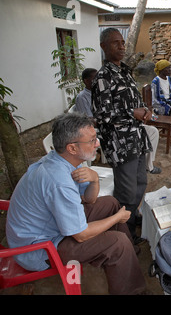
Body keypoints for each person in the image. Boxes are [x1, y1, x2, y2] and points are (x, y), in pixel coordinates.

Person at [6, 113, 146, 295]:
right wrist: (117, 218)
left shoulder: (65, 160)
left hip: (50, 228)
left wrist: (95, 180)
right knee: (117, 243)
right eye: (92, 140)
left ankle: (129, 258)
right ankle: (132, 290)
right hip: (38, 249)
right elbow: (81, 235)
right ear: (72, 147)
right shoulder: (58, 180)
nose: (97, 144)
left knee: (111, 203)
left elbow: (90, 200)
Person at [92, 27, 151, 244]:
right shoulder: (103, 77)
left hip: (136, 138)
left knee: (140, 183)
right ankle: (124, 236)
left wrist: (144, 109)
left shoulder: (125, 71)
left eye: (122, 42)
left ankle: (131, 221)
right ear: (103, 47)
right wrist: (132, 113)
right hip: (120, 143)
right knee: (126, 193)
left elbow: (133, 101)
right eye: (115, 43)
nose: (121, 46)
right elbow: (101, 114)